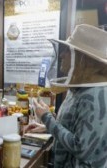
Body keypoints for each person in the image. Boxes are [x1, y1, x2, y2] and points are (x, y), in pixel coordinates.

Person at [26, 24, 107, 167]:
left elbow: (82, 148)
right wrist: (47, 126)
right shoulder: (79, 87)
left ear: (83, 59)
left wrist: (47, 118)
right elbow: (75, 125)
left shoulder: (96, 96)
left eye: (68, 50)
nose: (62, 55)